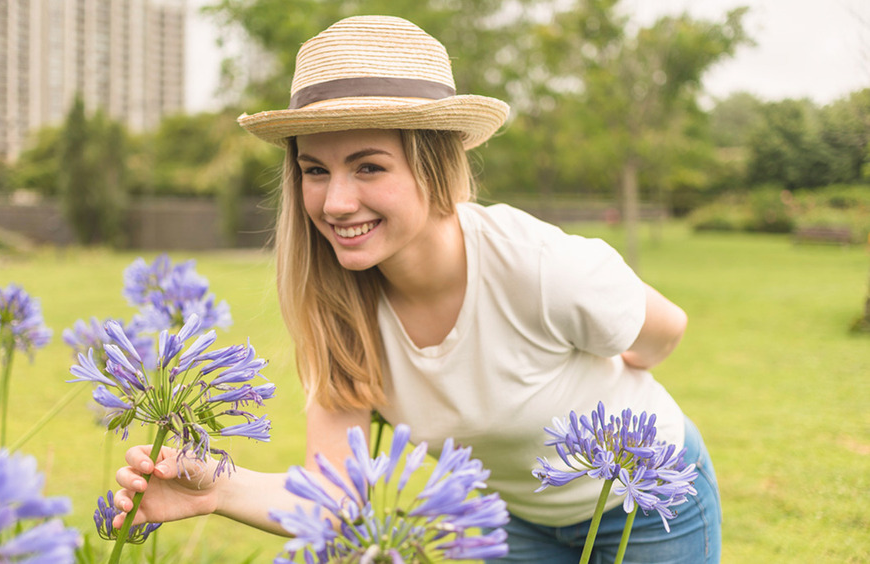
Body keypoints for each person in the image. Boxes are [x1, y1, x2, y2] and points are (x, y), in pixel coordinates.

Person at [112, 15, 721, 563]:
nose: (336, 201)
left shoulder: (540, 267)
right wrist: (216, 486)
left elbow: (664, 331)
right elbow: (334, 499)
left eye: (368, 166)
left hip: (650, 508)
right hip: (514, 522)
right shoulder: (338, 308)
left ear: (434, 166)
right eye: (314, 170)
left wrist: (602, 385)